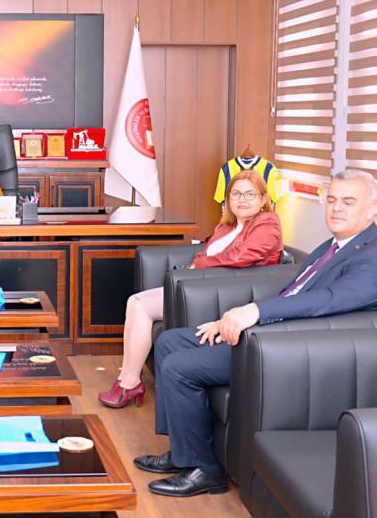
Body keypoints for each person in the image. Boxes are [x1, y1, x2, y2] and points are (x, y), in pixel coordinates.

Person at [136, 169, 377, 498]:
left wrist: (257, 313)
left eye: (348, 202)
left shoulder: (370, 255)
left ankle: (204, 470)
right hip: (267, 331)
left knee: (179, 367)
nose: (336, 208)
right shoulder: (333, 245)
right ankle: (182, 452)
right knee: (169, 341)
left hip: (286, 347)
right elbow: (293, 293)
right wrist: (230, 320)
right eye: (332, 199)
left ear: (372, 208)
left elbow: (330, 300)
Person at [98, 170, 282, 409]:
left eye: (250, 194)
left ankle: (130, 383)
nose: (242, 200)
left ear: (263, 199)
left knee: (141, 305)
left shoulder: (268, 223)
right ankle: (128, 378)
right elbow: (207, 253)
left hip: (227, 296)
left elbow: (242, 256)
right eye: (236, 194)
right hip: (202, 288)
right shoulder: (227, 226)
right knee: (135, 301)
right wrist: (196, 265)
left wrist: (199, 265)